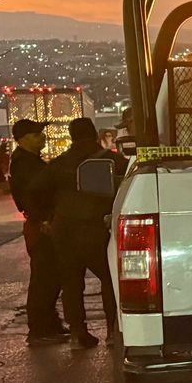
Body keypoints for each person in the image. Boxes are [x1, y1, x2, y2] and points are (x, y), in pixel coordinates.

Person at [34, 117, 125, 349]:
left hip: (64, 228)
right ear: (94, 134)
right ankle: (113, 332)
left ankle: (77, 334)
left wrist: (46, 217)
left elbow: (35, 189)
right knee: (108, 277)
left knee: (71, 282)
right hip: (97, 227)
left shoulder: (59, 163)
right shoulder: (113, 161)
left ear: (72, 136)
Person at [8, 119, 68, 346]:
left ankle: (50, 324)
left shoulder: (31, 161)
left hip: (46, 223)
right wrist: (43, 219)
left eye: (41, 133)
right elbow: (34, 194)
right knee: (44, 279)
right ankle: (40, 329)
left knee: (52, 278)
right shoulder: (24, 164)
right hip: (41, 225)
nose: (42, 137)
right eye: (36, 134)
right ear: (22, 139)